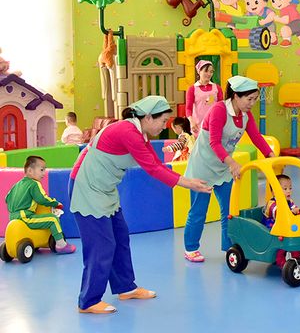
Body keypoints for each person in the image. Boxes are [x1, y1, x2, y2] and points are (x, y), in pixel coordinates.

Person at [69, 96, 210, 314]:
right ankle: (88, 301)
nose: (165, 126)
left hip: (105, 189)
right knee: (101, 245)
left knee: (120, 237)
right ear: (148, 117)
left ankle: (126, 288)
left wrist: (188, 179)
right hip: (86, 187)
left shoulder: (140, 134)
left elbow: (156, 163)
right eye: (162, 121)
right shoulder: (128, 131)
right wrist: (189, 183)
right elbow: (153, 169)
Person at [183, 75, 275, 263]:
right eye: (249, 99)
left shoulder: (246, 115)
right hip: (203, 166)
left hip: (223, 168)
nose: (252, 104)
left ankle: (229, 246)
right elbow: (214, 142)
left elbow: (256, 137)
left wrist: (271, 156)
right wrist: (232, 163)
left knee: (229, 211)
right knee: (199, 211)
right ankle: (191, 248)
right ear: (236, 96)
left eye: (255, 99)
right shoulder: (219, 110)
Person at [5, 156, 75, 254]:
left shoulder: (16, 185)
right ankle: (61, 245)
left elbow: (7, 199)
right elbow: (42, 199)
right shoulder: (34, 184)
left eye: (44, 170)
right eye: (41, 170)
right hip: (26, 216)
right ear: (30, 171)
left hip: (12, 216)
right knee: (53, 219)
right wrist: (55, 203)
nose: (44, 173)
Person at [262, 174, 300, 268]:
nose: (289, 191)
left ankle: (296, 256)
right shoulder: (272, 204)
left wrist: (299, 212)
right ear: (274, 191)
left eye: (290, 188)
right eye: (285, 189)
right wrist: (291, 212)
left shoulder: (289, 201)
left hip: (285, 226)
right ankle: (281, 261)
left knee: (295, 236)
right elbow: (278, 214)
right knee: (280, 244)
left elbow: (295, 209)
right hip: (272, 228)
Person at [185, 60, 223, 137]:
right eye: (206, 71)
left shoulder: (217, 88)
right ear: (199, 71)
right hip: (198, 126)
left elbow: (221, 107)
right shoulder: (192, 89)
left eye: (211, 72)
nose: (209, 74)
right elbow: (188, 109)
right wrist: (192, 122)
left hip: (215, 124)